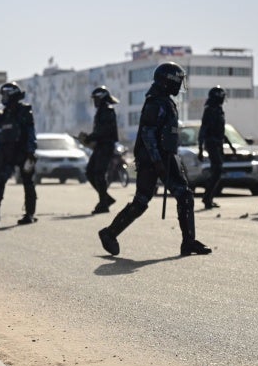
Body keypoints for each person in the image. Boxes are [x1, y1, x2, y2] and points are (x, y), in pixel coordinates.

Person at [98, 62, 212, 257]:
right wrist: (157, 161)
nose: (179, 86)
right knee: (143, 201)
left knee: (183, 195)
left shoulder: (164, 101)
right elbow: (147, 133)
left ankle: (188, 242)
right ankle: (109, 233)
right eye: (176, 82)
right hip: (153, 160)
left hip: (166, 157)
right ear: (167, 82)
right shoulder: (156, 103)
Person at [0, 82, 37, 225]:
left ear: (12, 95)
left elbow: (31, 132)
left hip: (23, 152)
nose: (3, 98)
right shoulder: (4, 114)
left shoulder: (24, 111)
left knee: (28, 183)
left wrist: (31, 151)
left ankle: (29, 214)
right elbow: (2, 134)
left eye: (5, 94)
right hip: (6, 153)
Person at [80, 86, 119, 214]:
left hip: (106, 146)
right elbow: (99, 131)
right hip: (100, 146)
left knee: (98, 173)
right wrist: (89, 138)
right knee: (90, 172)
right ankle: (106, 199)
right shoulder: (101, 110)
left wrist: (90, 137)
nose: (95, 102)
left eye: (96, 99)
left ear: (101, 98)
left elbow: (104, 131)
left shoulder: (108, 110)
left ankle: (104, 204)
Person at [197, 86, 235, 209]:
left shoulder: (219, 110)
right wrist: (200, 149)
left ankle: (208, 197)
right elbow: (203, 129)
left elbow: (221, 131)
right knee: (217, 169)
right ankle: (207, 197)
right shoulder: (209, 110)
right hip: (211, 143)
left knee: (217, 171)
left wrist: (230, 145)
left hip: (218, 144)